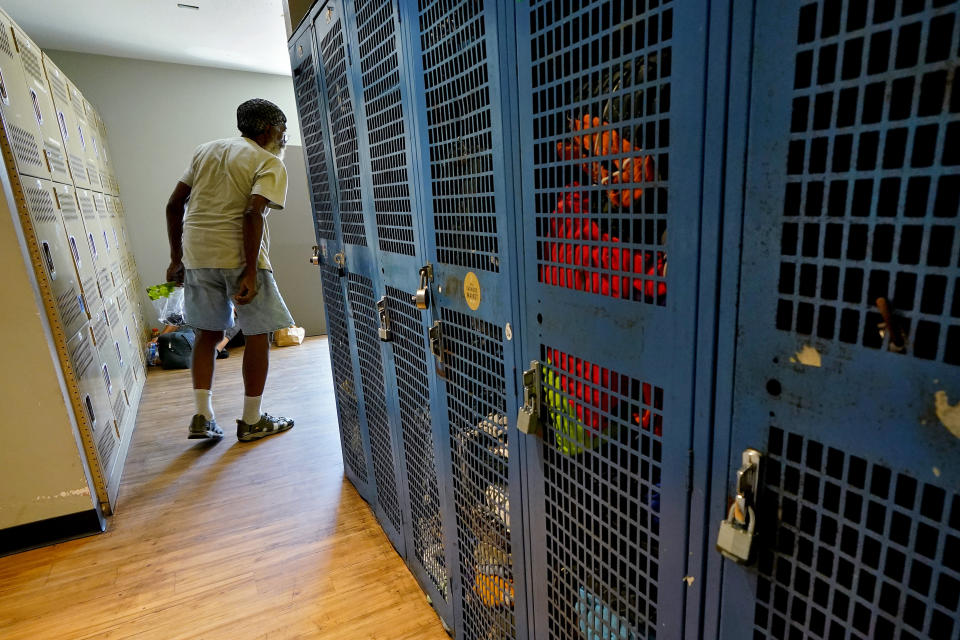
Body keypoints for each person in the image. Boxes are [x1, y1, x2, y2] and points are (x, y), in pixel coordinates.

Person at [164, 98, 295, 442]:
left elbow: (174, 204)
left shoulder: (206, 151)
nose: (284, 138)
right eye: (283, 130)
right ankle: (252, 421)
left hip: (197, 255)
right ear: (269, 129)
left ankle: (202, 415)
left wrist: (176, 258)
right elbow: (253, 214)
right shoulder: (268, 161)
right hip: (239, 255)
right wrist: (250, 272)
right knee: (257, 334)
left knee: (206, 335)